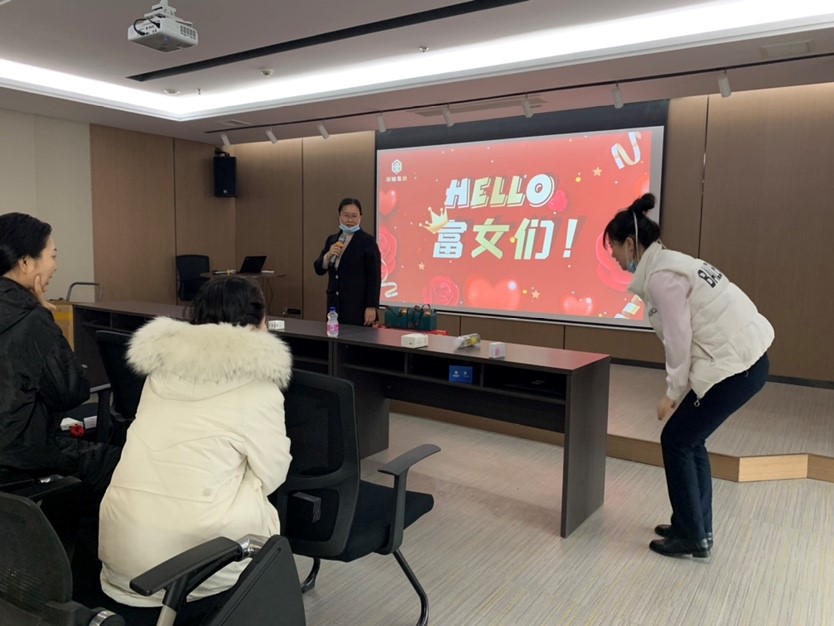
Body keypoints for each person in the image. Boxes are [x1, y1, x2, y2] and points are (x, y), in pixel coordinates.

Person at [98, 276, 293, 606]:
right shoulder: (258, 387)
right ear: (258, 323)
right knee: (258, 503)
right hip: (195, 565)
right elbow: (274, 475)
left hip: (121, 551)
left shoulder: (160, 373)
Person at [604, 193, 773, 558]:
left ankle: (692, 535)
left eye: (613, 248)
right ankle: (695, 527)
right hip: (742, 360)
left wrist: (672, 392)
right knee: (690, 439)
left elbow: (679, 338)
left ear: (630, 244)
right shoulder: (670, 263)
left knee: (678, 439)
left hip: (735, 366)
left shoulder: (662, 277)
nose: (613, 257)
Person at [0, 212, 121, 504]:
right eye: (52, 256)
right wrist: (43, 316)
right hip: (16, 452)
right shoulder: (32, 320)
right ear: (26, 263)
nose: (55, 266)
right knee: (115, 462)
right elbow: (71, 393)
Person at [313, 197, 382, 326]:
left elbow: (374, 276)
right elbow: (318, 269)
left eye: (354, 216)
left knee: (355, 337)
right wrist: (328, 255)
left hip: (357, 306)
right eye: (346, 216)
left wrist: (371, 306)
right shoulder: (332, 239)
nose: (350, 220)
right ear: (339, 216)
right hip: (334, 305)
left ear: (360, 217)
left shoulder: (367, 241)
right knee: (334, 337)